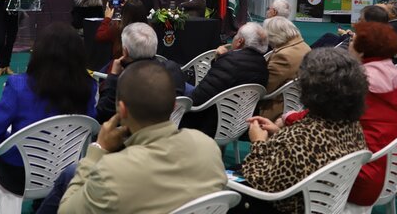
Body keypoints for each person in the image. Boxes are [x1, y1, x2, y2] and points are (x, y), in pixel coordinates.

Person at [57, 61, 227, 213]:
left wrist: (98, 149)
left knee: (70, 175)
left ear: (122, 110)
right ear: (174, 105)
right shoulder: (208, 147)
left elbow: (65, 211)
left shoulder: (112, 171)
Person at [0, 23, 97, 214]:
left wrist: (11, 139)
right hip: (68, 172)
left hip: (19, 177)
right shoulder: (89, 87)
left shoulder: (18, 86)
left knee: (4, 152)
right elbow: (90, 126)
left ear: (38, 52)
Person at [233, 48, 369, 214]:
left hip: (287, 205)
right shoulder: (352, 125)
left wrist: (258, 142)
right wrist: (278, 133)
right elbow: (310, 153)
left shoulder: (301, 137)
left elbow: (261, 181)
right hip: (324, 202)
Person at [346, 22, 397, 206]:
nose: (349, 44)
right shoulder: (396, 76)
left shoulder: (356, 81)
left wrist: (287, 118)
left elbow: (321, 117)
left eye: (352, 40)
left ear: (362, 50)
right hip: (393, 173)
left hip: (357, 175)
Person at [180, 22, 270, 137]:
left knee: (174, 81)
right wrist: (220, 59)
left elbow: (197, 98)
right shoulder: (263, 65)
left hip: (208, 122)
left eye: (236, 35)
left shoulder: (230, 62)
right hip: (239, 124)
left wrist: (222, 59)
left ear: (240, 41)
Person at [96, 22, 190, 123]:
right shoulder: (173, 69)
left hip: (135, 132)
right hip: (171, 128)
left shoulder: (126, 80)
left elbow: (102, 116)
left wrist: (113, 77)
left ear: (125, 51)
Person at [259, 16, 311, 120]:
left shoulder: (283, 56)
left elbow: (265, 89)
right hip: (299, 102)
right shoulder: (304, 46)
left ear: (273, 36)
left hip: (278, 107)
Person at [95, 0, 149, 68]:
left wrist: (107, 18)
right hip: (144, 67)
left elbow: (99, 36)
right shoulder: (148, 30)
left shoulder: (118, 28)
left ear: (124, 13)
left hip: (121, 68)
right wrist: (130, 5)